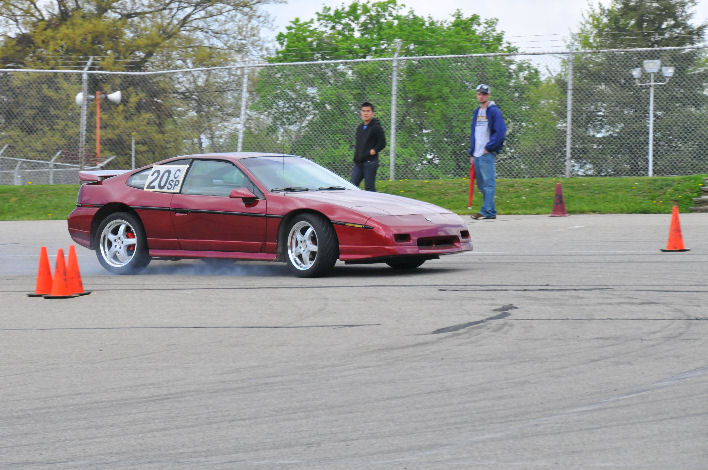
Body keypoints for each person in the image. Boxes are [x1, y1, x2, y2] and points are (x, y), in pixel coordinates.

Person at [468, 83, 506, 220]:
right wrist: (472, 152)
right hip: (477, 154)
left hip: (486, 153)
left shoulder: (494, 111)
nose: (481, 96)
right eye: (479, 94)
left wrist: (489, 148)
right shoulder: (476, 112)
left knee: (489, 183)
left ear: (488, 95)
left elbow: (500, 132)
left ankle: (485, 211)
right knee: (481, 184)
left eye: (484, 94)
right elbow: (474, 133)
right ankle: (490, 211)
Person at [351, 101, 386, 191]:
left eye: (368, 111)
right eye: (363, 111)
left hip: (370, 163)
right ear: (361, 113)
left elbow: (382, 143)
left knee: (369, 188)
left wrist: (373, 151)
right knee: (352, 186)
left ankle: (374, 205)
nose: (365, 113)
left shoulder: (376, 127)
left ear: (372, 113)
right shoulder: (360, 127)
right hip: (358, 163)